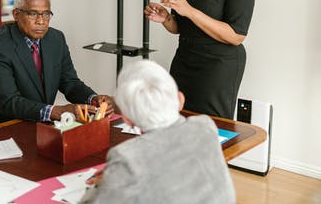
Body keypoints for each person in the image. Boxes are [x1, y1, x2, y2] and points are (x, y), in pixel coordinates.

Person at [80, 59, 236, 204]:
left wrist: (106, 183)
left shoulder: (128, 157)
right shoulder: (205, 126)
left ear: (127, 118)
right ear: (180, 100)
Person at [0, 0, 115, 127]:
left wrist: (92, 99)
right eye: (33, 14)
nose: (41, 21)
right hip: (3, 126)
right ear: (16, 15)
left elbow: (70, 83)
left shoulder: (56, 38)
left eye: (46, 14)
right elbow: (9, 102)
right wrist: (56, 111)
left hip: (39, 123)